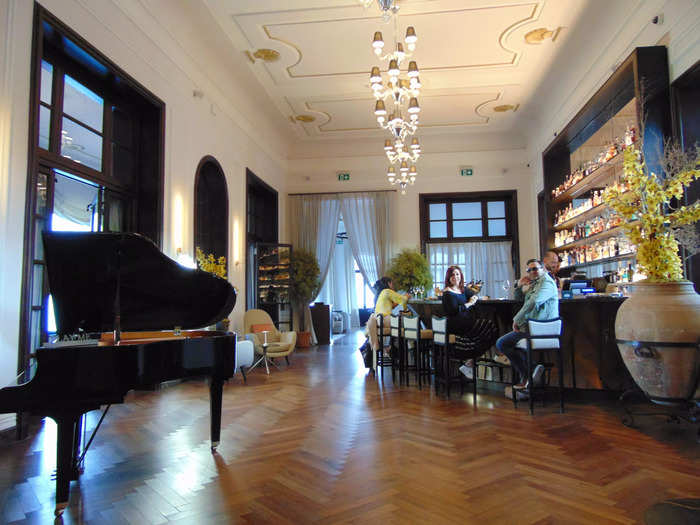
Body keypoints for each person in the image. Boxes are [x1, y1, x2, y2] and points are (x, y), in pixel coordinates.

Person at [495, 258, 559, 396]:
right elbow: (521, 300)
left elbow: (534, 301)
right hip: (533, 327)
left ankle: (528, 375)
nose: (532, 272)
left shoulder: (546, 283)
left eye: (535, 269)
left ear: (543, 269)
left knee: (502, 343)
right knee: (507, 344)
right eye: (529, 270)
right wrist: (518, 285)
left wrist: (516, 319)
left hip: (543, 328)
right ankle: (531, 372)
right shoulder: (536, 284)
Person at [441, 265, 495, 380]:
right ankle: (470, 362)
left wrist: (474, 298)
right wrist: (469, 303)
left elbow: (474, 294)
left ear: (461, 276)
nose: (455, 277)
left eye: (457, 274)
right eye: (452, 275)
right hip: (457, 326)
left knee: (490, 328)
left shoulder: (463, 289)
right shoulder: (447, 293)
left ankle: (470, 362)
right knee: (488, 326)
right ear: (448, 277)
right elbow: (454, 311)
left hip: (467, 323)